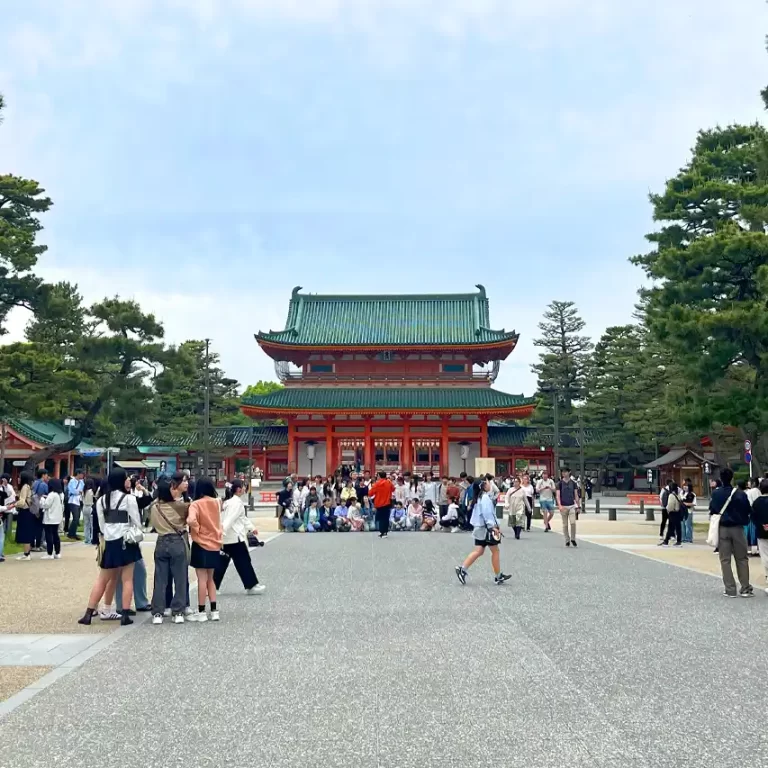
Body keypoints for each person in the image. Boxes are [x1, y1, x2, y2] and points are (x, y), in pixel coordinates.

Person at [78, 468, 143, 626]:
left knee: (102, 579)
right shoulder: (129, 499)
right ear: (121, 480)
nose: (128, 481)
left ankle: (88, 613)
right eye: (126, 478)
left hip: (110, 542)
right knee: (127, 579)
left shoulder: (101, 501)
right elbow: (137, 522)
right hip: (126, 541)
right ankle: (125, 615)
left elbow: (101, 525)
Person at [148, 477, 191, 624]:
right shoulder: (181, 506)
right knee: (180, 578)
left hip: (161, 541)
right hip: (177, 541)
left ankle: (158, 612)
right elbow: (188, 519)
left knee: (160, 579)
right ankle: (178, 611)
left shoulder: (154, 506)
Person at [455, 479, 511, 585]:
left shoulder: (479, 497)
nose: (489, 484)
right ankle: (498, 576)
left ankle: (463, 569)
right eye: (487, 482)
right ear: (484, 486)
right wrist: (493, 526)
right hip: (486, 529)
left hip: (480, 527)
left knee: (479, 551)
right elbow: (487, 514)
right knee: (495, 551)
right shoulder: (484, 498)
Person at [214, 479, 265, 595]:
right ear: (238, 489)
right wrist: (222, 531)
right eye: (243, 486)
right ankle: (251, 586)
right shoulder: (236, 503)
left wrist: (252, 527)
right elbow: (230, 519)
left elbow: (241, 518)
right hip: (234, 537)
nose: (244, 488)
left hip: (228, 537)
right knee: (243, 561)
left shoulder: (227, 502)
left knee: (222, 562)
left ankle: (212, 586)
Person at [710, 467, 753, 598]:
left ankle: (730, 588)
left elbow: (713, 509)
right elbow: (747, 510)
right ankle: (745, 587)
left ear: (721, 479)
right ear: (732, 478)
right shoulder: (740, 494)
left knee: (725, 559)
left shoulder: (716, 494)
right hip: (738, 528)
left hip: (723, 528)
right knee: (742, 558)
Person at [187, 477, 223, 622]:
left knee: (201, 579)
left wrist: (198, 529)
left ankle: (201, 611)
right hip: (215, 543)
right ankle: (214, 610)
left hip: (200, 543)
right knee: (211, 579)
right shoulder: (217, 502)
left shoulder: (195, 504)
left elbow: (190, 520)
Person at [750, 478, 768, 593]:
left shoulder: (756, 502)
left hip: (762, 532)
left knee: (765, 557)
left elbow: (753, 517)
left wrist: (763, 525)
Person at [41, 478, 65, 559]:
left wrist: (42, 499)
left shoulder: (52, 494)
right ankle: (57, 552)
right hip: (57, 518)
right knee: (55, 535)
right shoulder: (61, 494)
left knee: (49, 536)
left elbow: (46, 505)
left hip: (49, 518)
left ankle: (49, 553)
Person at [14, 472, 35, 561]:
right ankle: (27, 553)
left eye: (19, 477)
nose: (18, 479)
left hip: (24, 512)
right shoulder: (29, 486)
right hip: (29, 512)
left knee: (25, 533)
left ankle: (26, 554)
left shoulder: (24, 487)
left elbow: (22, 502)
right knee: (28, 532)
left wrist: (14, 504)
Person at [556, 468, 580, 548]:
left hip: (572, 505)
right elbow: (558, 495)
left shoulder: (573, 483)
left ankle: (573, 538)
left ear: (569, 472)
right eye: (563, 472)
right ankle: (567, 539)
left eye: (565, 472)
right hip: (563, 505)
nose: (564, 473)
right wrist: (559, 505)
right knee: (565, 524)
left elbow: (576, 495)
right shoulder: (559, 483)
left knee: (573, 522)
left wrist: (578, 506)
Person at [370, 471, 395, 539]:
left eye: (377, 476)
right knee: (386, 518)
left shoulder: (377, 484)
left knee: (381, 518)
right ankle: (385, 532)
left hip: (379, 503)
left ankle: (382, 532)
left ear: (379, 476)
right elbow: (393, 489)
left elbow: (370, 493)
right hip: (387, 502)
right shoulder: (389, 482)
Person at [31, 469, 49, 552]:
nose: (47, 476)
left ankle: (31, 544)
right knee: (40, 527)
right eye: (46, 475)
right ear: (43, 475)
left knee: (33, 526)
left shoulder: (34, 483)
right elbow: (46, 494)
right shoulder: (43, 484)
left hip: (33, 507)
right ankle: (38, 545)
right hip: (40, 507)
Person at [660, 481, 683, 546]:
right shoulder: (678, 495)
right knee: (677, 528)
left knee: (670, 527)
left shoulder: (671, 495)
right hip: (678, 512)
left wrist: (667, 510)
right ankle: (678, 541)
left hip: (673, 513)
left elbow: (670, 506)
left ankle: (666, 541)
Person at [66, 471, 85, 540]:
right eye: (82, 474)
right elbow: (72, 491)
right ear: (78, 474)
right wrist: (79, 491)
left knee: (77, 518)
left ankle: (73, 533)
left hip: (79, 500)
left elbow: (83, 490)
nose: (82, 476)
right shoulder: (72, 481)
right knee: (75, 518)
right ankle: (71, 533)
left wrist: (79, 491)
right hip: (73, 501)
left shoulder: (82, 482)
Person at [82, 478, 95, 546]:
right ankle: (92, 538)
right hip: (90, 507)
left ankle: (87, 539)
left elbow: (81, 499)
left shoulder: (84, 491)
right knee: (92, 525)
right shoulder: (92, 491)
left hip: (84, 507)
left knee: (86, 524)